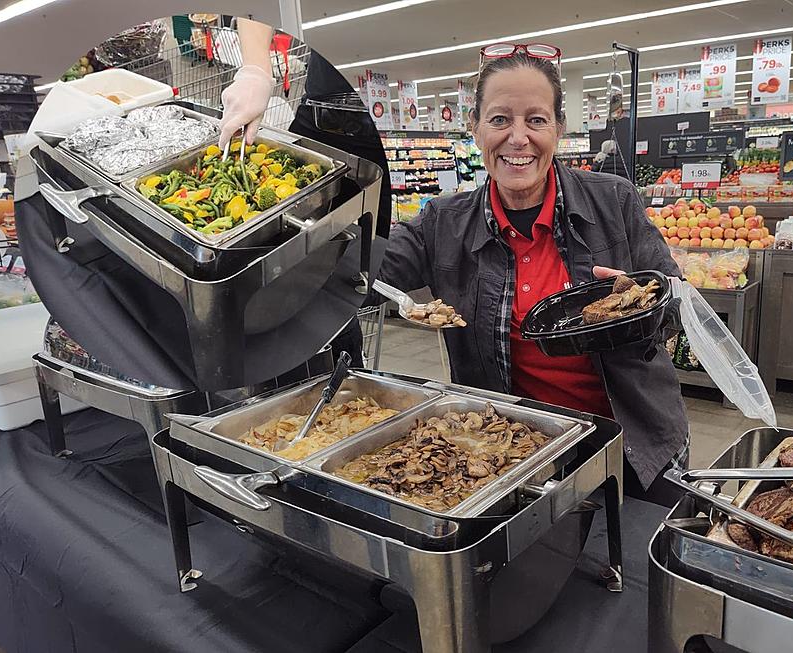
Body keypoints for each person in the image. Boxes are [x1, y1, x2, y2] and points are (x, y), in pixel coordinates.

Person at [221, 37, 689, 505]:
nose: (518, 138)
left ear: (559, 128)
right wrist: (282, 232)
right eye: (500, 119)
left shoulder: (614, 201)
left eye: (536, 120)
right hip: (517, 453)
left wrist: (640, 306)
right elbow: (359, 273)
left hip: (635, 443)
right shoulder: (442, 224)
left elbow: (678, 306)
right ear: (476, 128)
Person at [221, 18, 394, 365]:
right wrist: (255, 69)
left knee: (346, 281)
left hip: (395, 129)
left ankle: (344, 382)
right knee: (300, 276)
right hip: (322, 125)